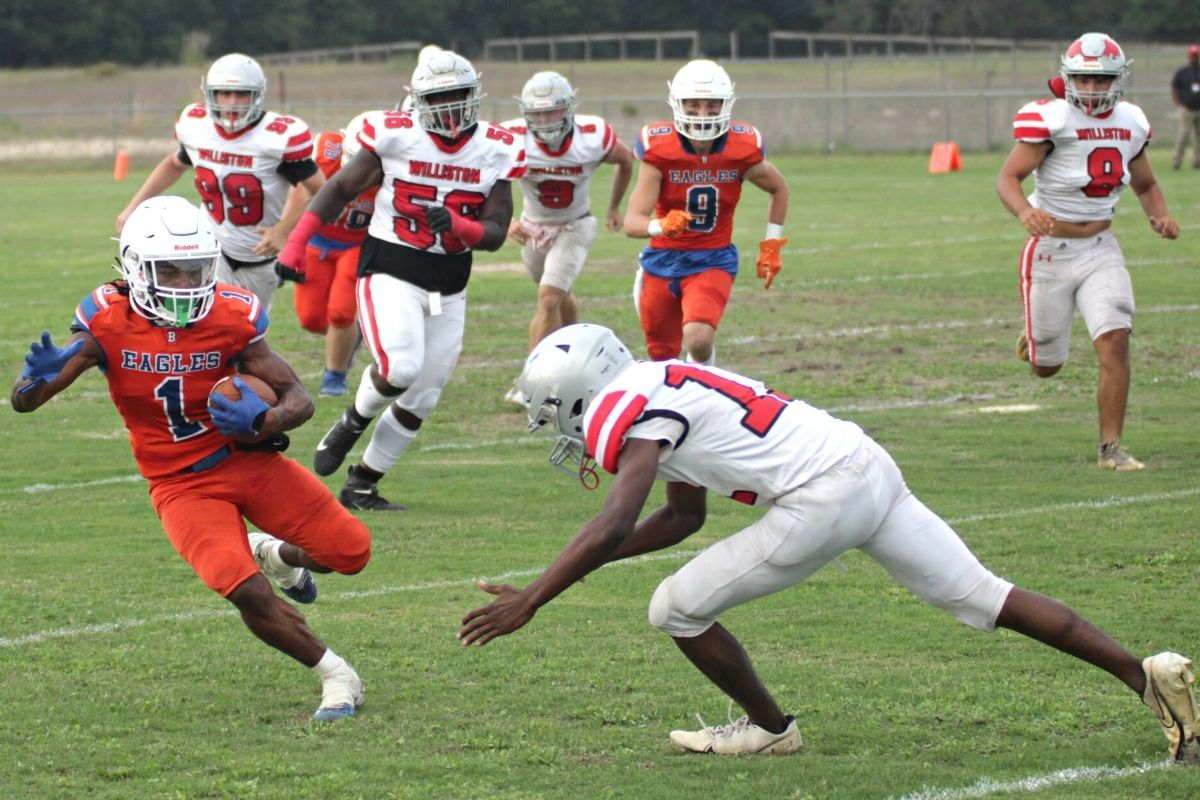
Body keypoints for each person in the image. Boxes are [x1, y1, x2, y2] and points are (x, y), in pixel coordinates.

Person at [457, 323, 1200, 760]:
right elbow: (684, 517)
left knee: (674, 607)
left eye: (554, 413)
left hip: (822, 495)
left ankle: (773, 731)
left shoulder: (623, 407)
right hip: (864, 464)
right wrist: (572, 575)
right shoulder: (660, 379)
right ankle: (1145, 677)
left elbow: (619, 516)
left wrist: (534, 599)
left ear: (579, 394)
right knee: (986, 595)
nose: (558, 429)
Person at [13, 196, 371, 721]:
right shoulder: (105, 321)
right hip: (179, 484)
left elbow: (299, 397)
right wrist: (34, 381)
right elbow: (27, 401)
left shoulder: (231, 313)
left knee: (351, 552)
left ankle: (280, 556)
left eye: (196, 270)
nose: (184, 284)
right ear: (135, 267)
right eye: (170, 272)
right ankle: (337, 676)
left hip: (249, 463)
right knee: (242, 587)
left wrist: (266, 422)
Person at [275, 50, 525, 511]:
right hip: (392, 265)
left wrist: (457, 226)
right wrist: (295, 244)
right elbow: (338, 190)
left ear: (474, 96)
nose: (449, 108)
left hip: (449, 280)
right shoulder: (394, 134)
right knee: (400, 368)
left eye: (457, 96)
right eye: (439, 97)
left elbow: (493, 233)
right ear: (418, 101)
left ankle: (363, 483)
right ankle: (352, 420)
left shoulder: (498, 147)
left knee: (425, 394)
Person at [997, 32, 1178, 471]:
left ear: (1119, 81)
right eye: (1083, 79)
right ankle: (1036, 344)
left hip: (1101, 247)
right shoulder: (1051, 120)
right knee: (1047, 368)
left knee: (1115, 340)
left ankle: (1110, 448)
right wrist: (1024, 213)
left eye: (1101, 82)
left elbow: (1146, 183)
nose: (1092, 90)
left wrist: (1160, 214)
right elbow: (1007, 178)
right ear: (1068, 77)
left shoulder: (1132, 121)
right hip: (1050, 250)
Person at [115, 53, 325, 313]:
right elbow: (174, 163)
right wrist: (132, 207)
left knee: (246, 331)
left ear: (257, 95)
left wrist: (284, 229)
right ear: (211, 94)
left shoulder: (277, 138)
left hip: (259, 259)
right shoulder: (196, 126)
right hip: (209, 249)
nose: (232, 103)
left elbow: (323, 193)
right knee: (197, 318)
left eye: (242, 94)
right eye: (224, 93)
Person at [624, 59, 788, 365]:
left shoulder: (741, 148)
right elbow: (632, 222)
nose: (703, 114)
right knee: (662, 356)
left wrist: (771, 245)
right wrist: (661, 225)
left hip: (713, 258)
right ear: (678, 105)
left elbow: (779, 189)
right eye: (694, 105)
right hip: (662, 260)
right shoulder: (660, 149)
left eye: (712, 105)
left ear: (726, 105)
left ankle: (706, 392)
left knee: (698, 340)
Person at [498, 71, 634, 407]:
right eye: (537, 113)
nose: (545, 120)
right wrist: (505, 220)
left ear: (568, 109)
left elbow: (625, 159)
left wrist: (615, 206)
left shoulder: (592, 136)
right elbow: (484, 175)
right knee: (559, 295)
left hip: (576, 224)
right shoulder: (512, 137)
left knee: (548, 298)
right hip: (532, 227)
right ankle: (580, 362)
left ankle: (529, 383)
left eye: (552, 111)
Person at [294, 112, 378, 397]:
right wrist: (288, 233)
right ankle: (349, 337)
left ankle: (335, 375)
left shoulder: (394, 170)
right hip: (317, 240)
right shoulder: (326, 150)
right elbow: (302, 189)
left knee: (340, 313)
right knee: (311, 320)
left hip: (357, 245)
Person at [1170, 44, 1200, 170]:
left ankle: (1197, 161)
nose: (1194, 59)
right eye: (1192, 56)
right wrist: (1178, 102)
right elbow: (1174, 87)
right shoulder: (1182, 72)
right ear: (1189, 57)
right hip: (1187, 109)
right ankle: (1177, 161)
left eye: (1196, 56)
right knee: (1183, 135)